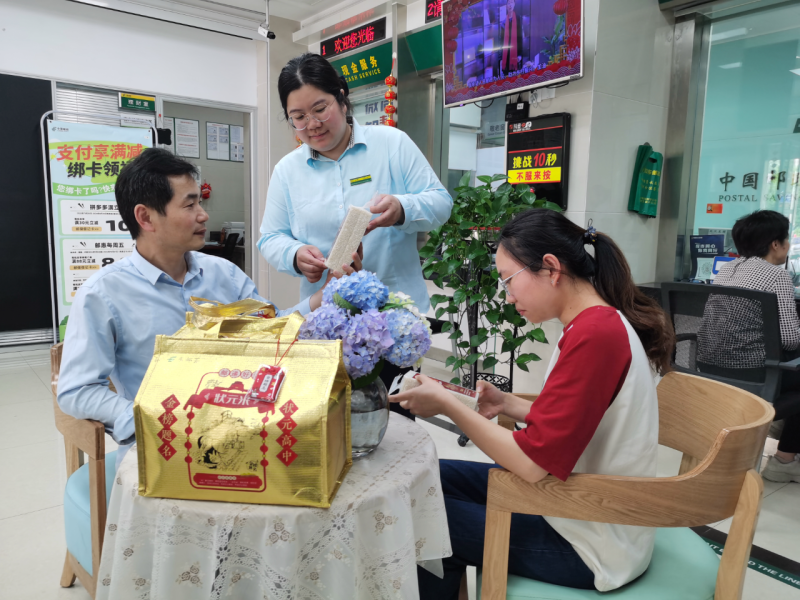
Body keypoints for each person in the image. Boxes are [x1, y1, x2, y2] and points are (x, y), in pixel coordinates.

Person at [392, 209, 675, 598]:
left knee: (421, 516)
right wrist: (507, 403)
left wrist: (447, 404)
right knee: (425, 480)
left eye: (509, 281)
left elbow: (530, 464)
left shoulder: (595, 335)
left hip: (591, 538)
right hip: (573, 503)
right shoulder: (593, 323)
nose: (508, 297)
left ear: (551, 268)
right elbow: (573, 421)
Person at [57, 148, 359, 469]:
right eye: (190, 205)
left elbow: (269, 330)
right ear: (145, 217)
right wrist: (143, 418)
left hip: (239, 432)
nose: (203, 215)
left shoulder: (224, 274)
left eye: (199, 202)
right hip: (161, 451)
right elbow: (78, 390)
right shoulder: (103, 294)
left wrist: (323, 297)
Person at [258, 52, 453, 412]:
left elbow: (440, 203)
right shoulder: (287, 171)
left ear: (342, 98)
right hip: (327, 325)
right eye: (298, 117)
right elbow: (270, 237)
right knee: (329, 420)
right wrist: (296, 256)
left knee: (395, 423)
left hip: (394, 322)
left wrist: (402, 209)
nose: (312, 124)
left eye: (320, 109)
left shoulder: (391, 144)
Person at [697, 210, 800, 483]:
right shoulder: (777, 276)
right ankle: (784, 461)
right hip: (751, 373)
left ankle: (777, 425)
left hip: (710, 368)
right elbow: (790, 339)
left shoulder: (727, 269)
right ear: (775, 244)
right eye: (786, 239)